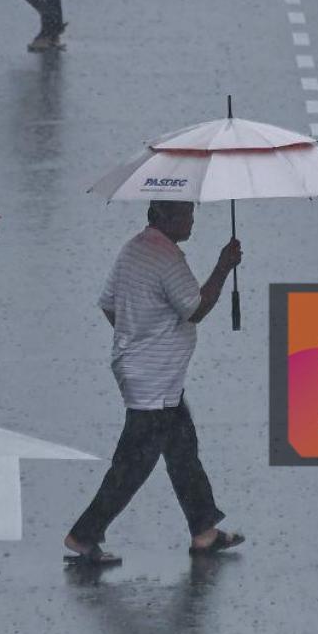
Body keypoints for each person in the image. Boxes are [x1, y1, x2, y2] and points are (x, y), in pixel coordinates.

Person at [64, 201, 246, 566]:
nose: (192, 220)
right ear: (164, 217)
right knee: (133, 464)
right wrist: (224, 267)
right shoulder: (166, 257)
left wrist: (136, 333)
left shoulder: (135, 247)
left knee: (182, 448)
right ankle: (83, 536)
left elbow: (108, 304)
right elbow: (195, 307)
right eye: (185, 214)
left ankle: (204, 531)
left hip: (148, 373)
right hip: (153, 380)